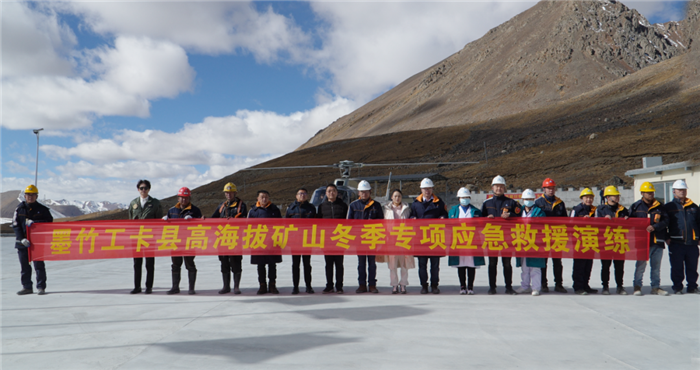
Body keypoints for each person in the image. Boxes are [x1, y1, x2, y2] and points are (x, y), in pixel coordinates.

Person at [481, 175, 521, 295]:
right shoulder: (487, 203)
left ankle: (509, 287)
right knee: (492, 263)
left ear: (504, 188)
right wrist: (487, 218)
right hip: (492, 237)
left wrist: (511, 216)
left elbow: (520, 216)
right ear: (492, 188)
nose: (499, 189)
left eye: (501, 186)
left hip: (507, 238)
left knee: (507, 264)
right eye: (497, 186)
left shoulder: (511, 202)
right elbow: (480, 219)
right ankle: (492, 287)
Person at [410, 178, 449, 294]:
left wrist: (443, 218)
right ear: (421, 189)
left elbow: (445, 215)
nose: (427, 191)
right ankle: (424, 285)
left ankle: (434, 285)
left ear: (432, 189)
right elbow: (411, 216)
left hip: (435, 237)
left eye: (429, 188)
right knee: (422, 265)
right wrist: (412, 219)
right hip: (421, 238)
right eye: (425, 189)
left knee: (435, 265)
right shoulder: (416, 204)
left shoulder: (439, 203)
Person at [630, 182, 669, 296]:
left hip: (657, 240)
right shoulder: (636, 206)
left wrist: (655, 227)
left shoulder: (660, 207)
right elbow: (629, 221)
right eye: (648, 193)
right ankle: (637, 286)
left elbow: (666, 221)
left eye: (652, 192)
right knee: (640, 266)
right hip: (642, 242)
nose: (650, 194)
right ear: (642, 193)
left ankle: (655, 287)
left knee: (656, 267)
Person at [13, 185, 53, 295]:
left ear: (36, 196)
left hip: (37, 243)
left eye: (33, 195)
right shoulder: (19, 209)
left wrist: (36, 224)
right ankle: (27, 287)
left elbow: (49, 224)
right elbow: (15, 225)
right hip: (22, 243)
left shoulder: (43, 210)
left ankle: (41, 287)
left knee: (39, 266)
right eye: (28, 195)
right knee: (24, 266)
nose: (30, 197)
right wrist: (22, 239)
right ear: (25, 196)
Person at [163, 187, 203, 295]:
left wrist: (194, 220)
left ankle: (191, 288)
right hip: (175, 243)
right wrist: (164, 221)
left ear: (189, 198)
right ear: (178, 198)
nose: (184, 200)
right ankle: (175, 287)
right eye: (182, 198)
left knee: (189, 264)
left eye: (186, 198)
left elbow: (201, 225)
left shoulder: (195, 210)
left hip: (189, 242)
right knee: (175, 265)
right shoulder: (172, 211)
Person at [664, 179, 700, 294]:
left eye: (684, 190)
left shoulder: (693, 206)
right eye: (679, 190)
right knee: (677, 267)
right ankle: (678, 287)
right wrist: (666, 237)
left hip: (692, 243)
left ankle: (692, 286)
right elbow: (664, 224)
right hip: (676, 242)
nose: (682, 192)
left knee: (692, 267)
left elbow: (699, 223)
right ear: (674, 191)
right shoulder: (669, 207)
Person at [348, 180, 384, 293]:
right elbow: (349, 223)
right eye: (362, 192)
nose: (364, 194)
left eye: (366, 192)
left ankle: (372, 284)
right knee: (361, 263)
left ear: (370, 192)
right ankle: (362, 284)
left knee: (372, 263)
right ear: (358, 193)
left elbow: (381, 222)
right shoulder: (353, 205)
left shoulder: (376, 205)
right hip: (359, 240)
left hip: (372, 238)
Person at [211, 182, 247, 294]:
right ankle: (226, 286)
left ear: (235, 193)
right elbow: (213, 218)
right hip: (222, 240)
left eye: (231, 193)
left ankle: (236, 286)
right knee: (224, 262)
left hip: (235, 239)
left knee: (236, 262)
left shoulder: (241, 205)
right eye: (227, 193)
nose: (229, 195)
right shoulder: (222, 205)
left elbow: (245, 220)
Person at [128, 179, 163, 294]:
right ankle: (137, 286)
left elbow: (158, 220)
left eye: (146, 188)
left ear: (149, 189)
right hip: (136, 238)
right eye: (141, 188)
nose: (143, 190)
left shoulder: (155, 203)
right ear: (138, 189)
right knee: (137, 263)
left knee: (149, 263)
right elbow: (130, 219)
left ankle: (149, 287)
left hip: (149, 237)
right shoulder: (133, 203)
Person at [447, 187, 485, 295]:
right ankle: (462, 286)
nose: (465, 199)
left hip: (472, 241)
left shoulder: (476, 211)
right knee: (461, 264)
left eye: (467, 197)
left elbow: (481, 226)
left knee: (471, 264)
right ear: (459, 198)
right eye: (463, 197)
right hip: (458, 241)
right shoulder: (453, 211)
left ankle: (471, 286)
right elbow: (449, 225)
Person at [535, 178, 567, 293]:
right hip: (543, 237)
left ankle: (559, 284)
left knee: (557, 262)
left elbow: (566, 221)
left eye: (552, 188)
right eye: (548, 188)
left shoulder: (560, 203)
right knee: (543, 262)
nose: (551, 190)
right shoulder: (538, 203)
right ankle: (543, 284)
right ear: (543, 189)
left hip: (557, 236)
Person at [596, 185, 630, 295]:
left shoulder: (623, 210)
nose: (617, 198)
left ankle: (620, 286)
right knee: (605, 266)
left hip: (619, 241)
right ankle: (605, 286)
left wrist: (627, 220)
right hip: (606, 242)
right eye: (614, 196)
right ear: (607, 197)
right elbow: (595, 225)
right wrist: (603, 220)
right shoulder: (600, 209)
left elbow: (630, 226)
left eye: (617, 196)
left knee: (619, 266)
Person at [248, 190, 283, 294]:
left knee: (272, 264)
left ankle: (272, 284)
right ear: (257, 199)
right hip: (259, 241)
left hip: (272, 241)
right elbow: (248, 227)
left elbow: (280, 225)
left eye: (266, 197)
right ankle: (262, 285)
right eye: (262, 197)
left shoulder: (274, 209)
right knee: (260, 264)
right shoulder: (253, 211)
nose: (264, 199)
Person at [317, 184, 349, 294]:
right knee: (329, 264)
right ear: (326, 193)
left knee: (339, 264)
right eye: (329, 191)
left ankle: (339, 286)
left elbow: (347, 222)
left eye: (333, 191)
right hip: (327, 240)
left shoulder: (343, 205)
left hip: (340, 239)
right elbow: (318, 223)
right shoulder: (322, 207)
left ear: (337, 192)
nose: (331, 193)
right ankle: (329, 285)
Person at [382, 189, 415, 294]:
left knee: (404, 264)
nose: (397, 198)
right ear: (391, 197)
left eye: (399, 196)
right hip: (391, 240)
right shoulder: (387, 209)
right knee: (392, 264)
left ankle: (403, 284)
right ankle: (394, 284)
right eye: (395, 196)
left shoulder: (406, 209)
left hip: (404, 239)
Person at [515, 189, 546, 296]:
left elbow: (543, 226)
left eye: (530, 199)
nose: (528, 201)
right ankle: (525, 286)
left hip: (535, 242)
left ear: (534, 200)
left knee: (535, 267)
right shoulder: (519, 211)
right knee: (525, 267)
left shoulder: (539, 212)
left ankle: (536, 288)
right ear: (523, 200)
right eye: (526, 199)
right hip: (522, 241)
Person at [286, 187, 317, 294]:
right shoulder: (291, 208)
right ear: (296, 196)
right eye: (300, 193)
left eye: (304, 193)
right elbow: (286, 225)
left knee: (307, 264)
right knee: (295, 264)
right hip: (295, 241)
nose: (302, 195)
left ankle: (308, 286)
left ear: (307, 196)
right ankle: (295, 286)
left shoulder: (311, 208)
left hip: (307, 241)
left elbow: (316, 224)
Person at [571, 188, 598, 295]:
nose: (589, 200)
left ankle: (586, 285)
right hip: (579, 242)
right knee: (579, 266)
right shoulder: (576, 210)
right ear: (582, 199)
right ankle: (578, 287)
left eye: (591, 197)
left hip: (591, 241)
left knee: (588, 265)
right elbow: (570, 224)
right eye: (586, 197)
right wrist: (581, 221)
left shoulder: (595, 210)